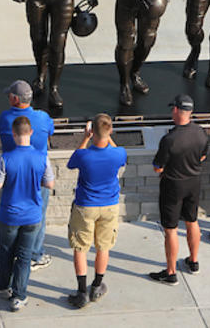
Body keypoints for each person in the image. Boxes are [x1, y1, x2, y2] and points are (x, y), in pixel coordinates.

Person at [0, 116, 55, 312]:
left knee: (6, 253)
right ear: (31, 133)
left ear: (14, 134)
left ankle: (2, 287)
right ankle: (19, 296)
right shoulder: (42, 157)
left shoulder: (6, 158)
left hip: (9, 215)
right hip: (33, 216)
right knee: (24, 258)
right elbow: (49, 183)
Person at [66, 113, 127, 308]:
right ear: (110, 131)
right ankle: (97, 286)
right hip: (109, 206)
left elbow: (71, 162)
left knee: (80, 248)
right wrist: (107, 136)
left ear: (92, 132)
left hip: (85, 206)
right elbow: (120, 156)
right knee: (103, 247)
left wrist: (85, 138)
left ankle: (81, 292)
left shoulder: (83, 156)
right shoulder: (118, 153)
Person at [149, 95, 208, 284]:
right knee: (192, 220)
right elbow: (202, 157)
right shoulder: (200, 132)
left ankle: (171, 272)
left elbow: (158, 167)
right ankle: (193, 261)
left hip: (173, 186)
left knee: (171, 229)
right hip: (194, 182)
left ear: (176, 110)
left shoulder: (169, 139)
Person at [0, 80, 55, 271]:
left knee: (13, 217)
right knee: (38, 217)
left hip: (13, 176)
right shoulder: (43, 117)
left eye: (9, 96)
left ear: (15, 99)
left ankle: (16, 253)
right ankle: (34, 254)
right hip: (38, 175)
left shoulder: (5, 118)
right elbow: (50, 133)